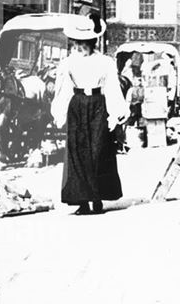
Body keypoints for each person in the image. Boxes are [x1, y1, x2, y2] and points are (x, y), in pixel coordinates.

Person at [50, 15, 129, 215]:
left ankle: (97, 199)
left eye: (84, 43)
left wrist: (115, 114)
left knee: (98, 151)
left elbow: (111, 88)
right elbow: (63, 89)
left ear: (92, 42)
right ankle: (82, 201)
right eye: (77, 42)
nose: (80, 46)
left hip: (97, 105)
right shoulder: (67, 63)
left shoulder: (105, 62)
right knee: (77, 152)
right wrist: (59, 112)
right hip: (76, 106)